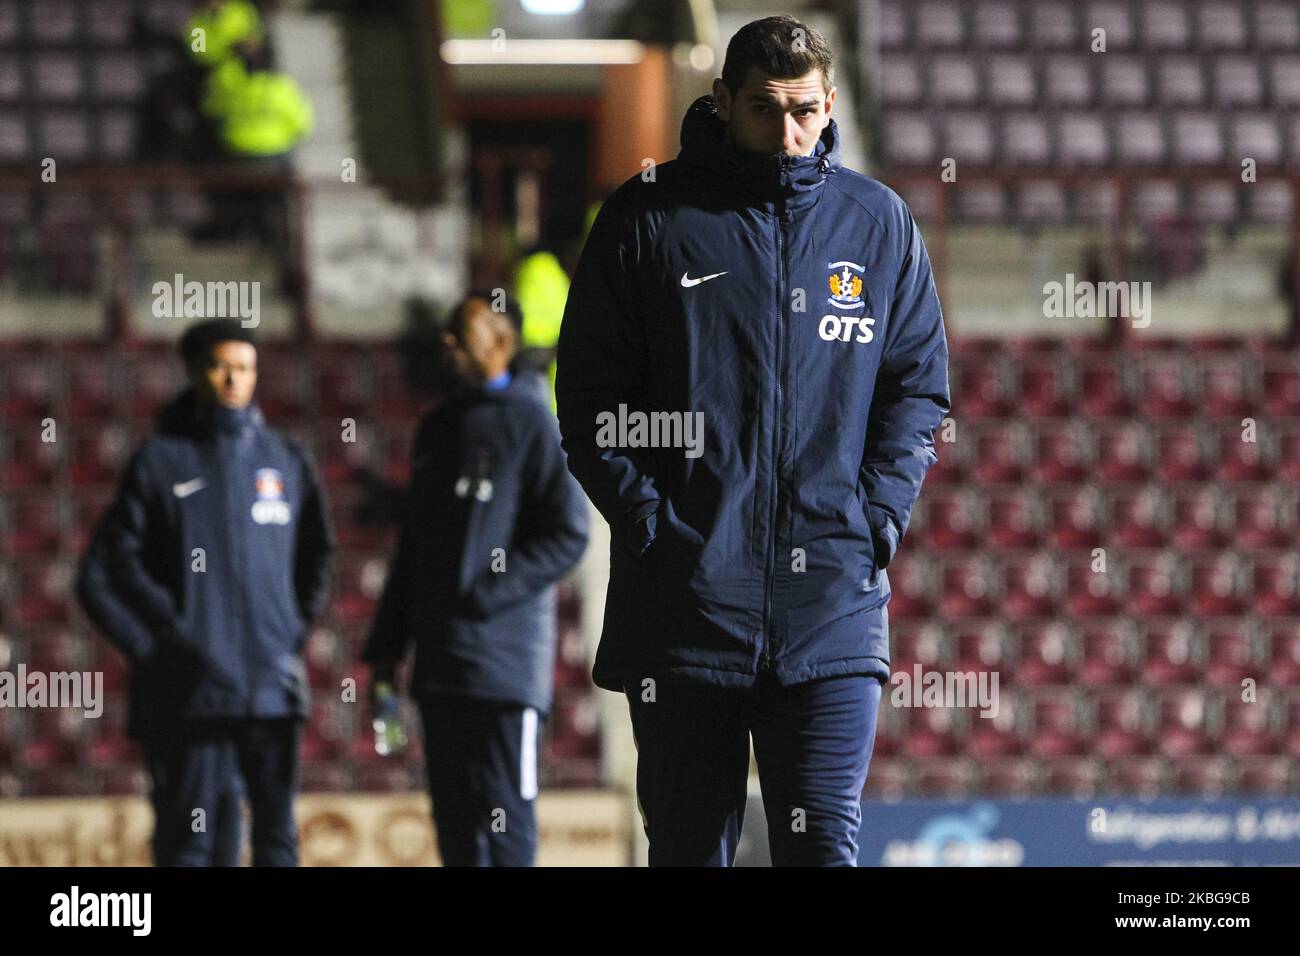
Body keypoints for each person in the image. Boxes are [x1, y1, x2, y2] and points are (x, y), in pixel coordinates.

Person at [555, 15, 950, 866]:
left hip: (832, 607)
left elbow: (917, 391)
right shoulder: (648, 218)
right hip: (686, 611)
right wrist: (655, 524)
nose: (787, 132)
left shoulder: (877, 226)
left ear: (831, 103)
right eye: (765, 109)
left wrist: (874, 520)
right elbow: (589, 400)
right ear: (722, 101)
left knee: (823, 850)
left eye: (804, 110)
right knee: (691, 852)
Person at [77, 319, 334, 866]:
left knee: (276, 839)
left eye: (243, 368)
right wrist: (161, 645)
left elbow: (318, 557)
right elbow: (99, 575)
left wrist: (288, 629)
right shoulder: (160, 462)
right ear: (193, 371)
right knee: (192, 844)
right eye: (219, 367)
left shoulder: (284, 461)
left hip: (270, 692)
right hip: (191, 699)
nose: (232, 380)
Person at [364, 294, 590, 866]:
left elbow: (568, 534)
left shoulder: (533, 421)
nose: (446, 342)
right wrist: (388, 650)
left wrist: (487, 592)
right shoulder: (438, 427)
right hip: (440, 670)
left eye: (459, 332)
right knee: (457, 833)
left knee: (508, 826)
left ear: (499, 343)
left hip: (503, 672)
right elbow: (412, 548)